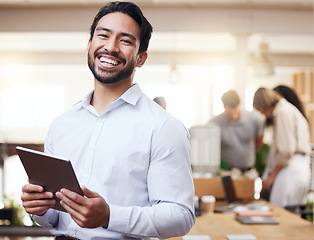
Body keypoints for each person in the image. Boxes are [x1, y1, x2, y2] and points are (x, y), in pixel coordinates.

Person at [20, 2, 195, 239]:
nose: (110, 47)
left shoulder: (163, 127)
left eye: (125, 41)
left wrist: (109, 217)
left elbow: (181, 217)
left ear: (141, 58)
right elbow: (53, 219)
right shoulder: (62, 125)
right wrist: (39, 209)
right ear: (89, 45)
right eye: (103, 36)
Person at [253, 87, 311, 208]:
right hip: (299, 168)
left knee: (278, 213)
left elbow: (286, 151)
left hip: (290, 170)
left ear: (263, 107)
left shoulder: (282, 113)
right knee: (292, 216)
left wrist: (271, 177)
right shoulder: (289, 110)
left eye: (260, 110)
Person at [208, 90, 264, 172]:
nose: (234, 116)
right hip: (226, 171)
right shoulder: (215, 123)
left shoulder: (254, 119)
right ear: (224, 107)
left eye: (236, 111)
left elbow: (259, 141)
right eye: (230, 113)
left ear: (239, 104)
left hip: (248, 170)